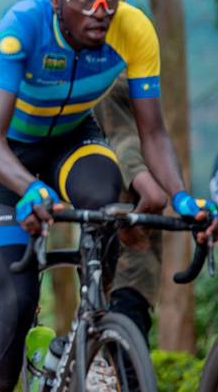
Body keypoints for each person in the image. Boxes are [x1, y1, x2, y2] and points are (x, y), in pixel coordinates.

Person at [0, 0, 218, 392]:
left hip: (71, 137)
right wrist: (30, 188)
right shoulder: (22, 26)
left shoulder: (134, 30)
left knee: (106, 196)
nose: (103, 11)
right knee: (19, 301)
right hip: (5, 151)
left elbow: (154, 134)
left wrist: (183, 196)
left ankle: (89, 328)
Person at [92, 76, 167, 344]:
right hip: (139, 277)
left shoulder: (124, 145)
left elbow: (155, 197)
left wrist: (127, 228)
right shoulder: (149, 145)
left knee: (129, 376)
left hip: (126, 276)